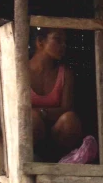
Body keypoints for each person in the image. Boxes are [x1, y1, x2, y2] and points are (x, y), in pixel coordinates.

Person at [29, 28, 82, 156]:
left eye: (65, 42)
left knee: (70, 120)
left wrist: (41, 113)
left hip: (56, 133)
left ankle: (63, 161)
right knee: (31, 119)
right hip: (30, 132)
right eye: (57, 40)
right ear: (40, 42)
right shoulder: (21, 71)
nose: (63, 45)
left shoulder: (65, 74)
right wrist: (37, 115)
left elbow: (66, 109)